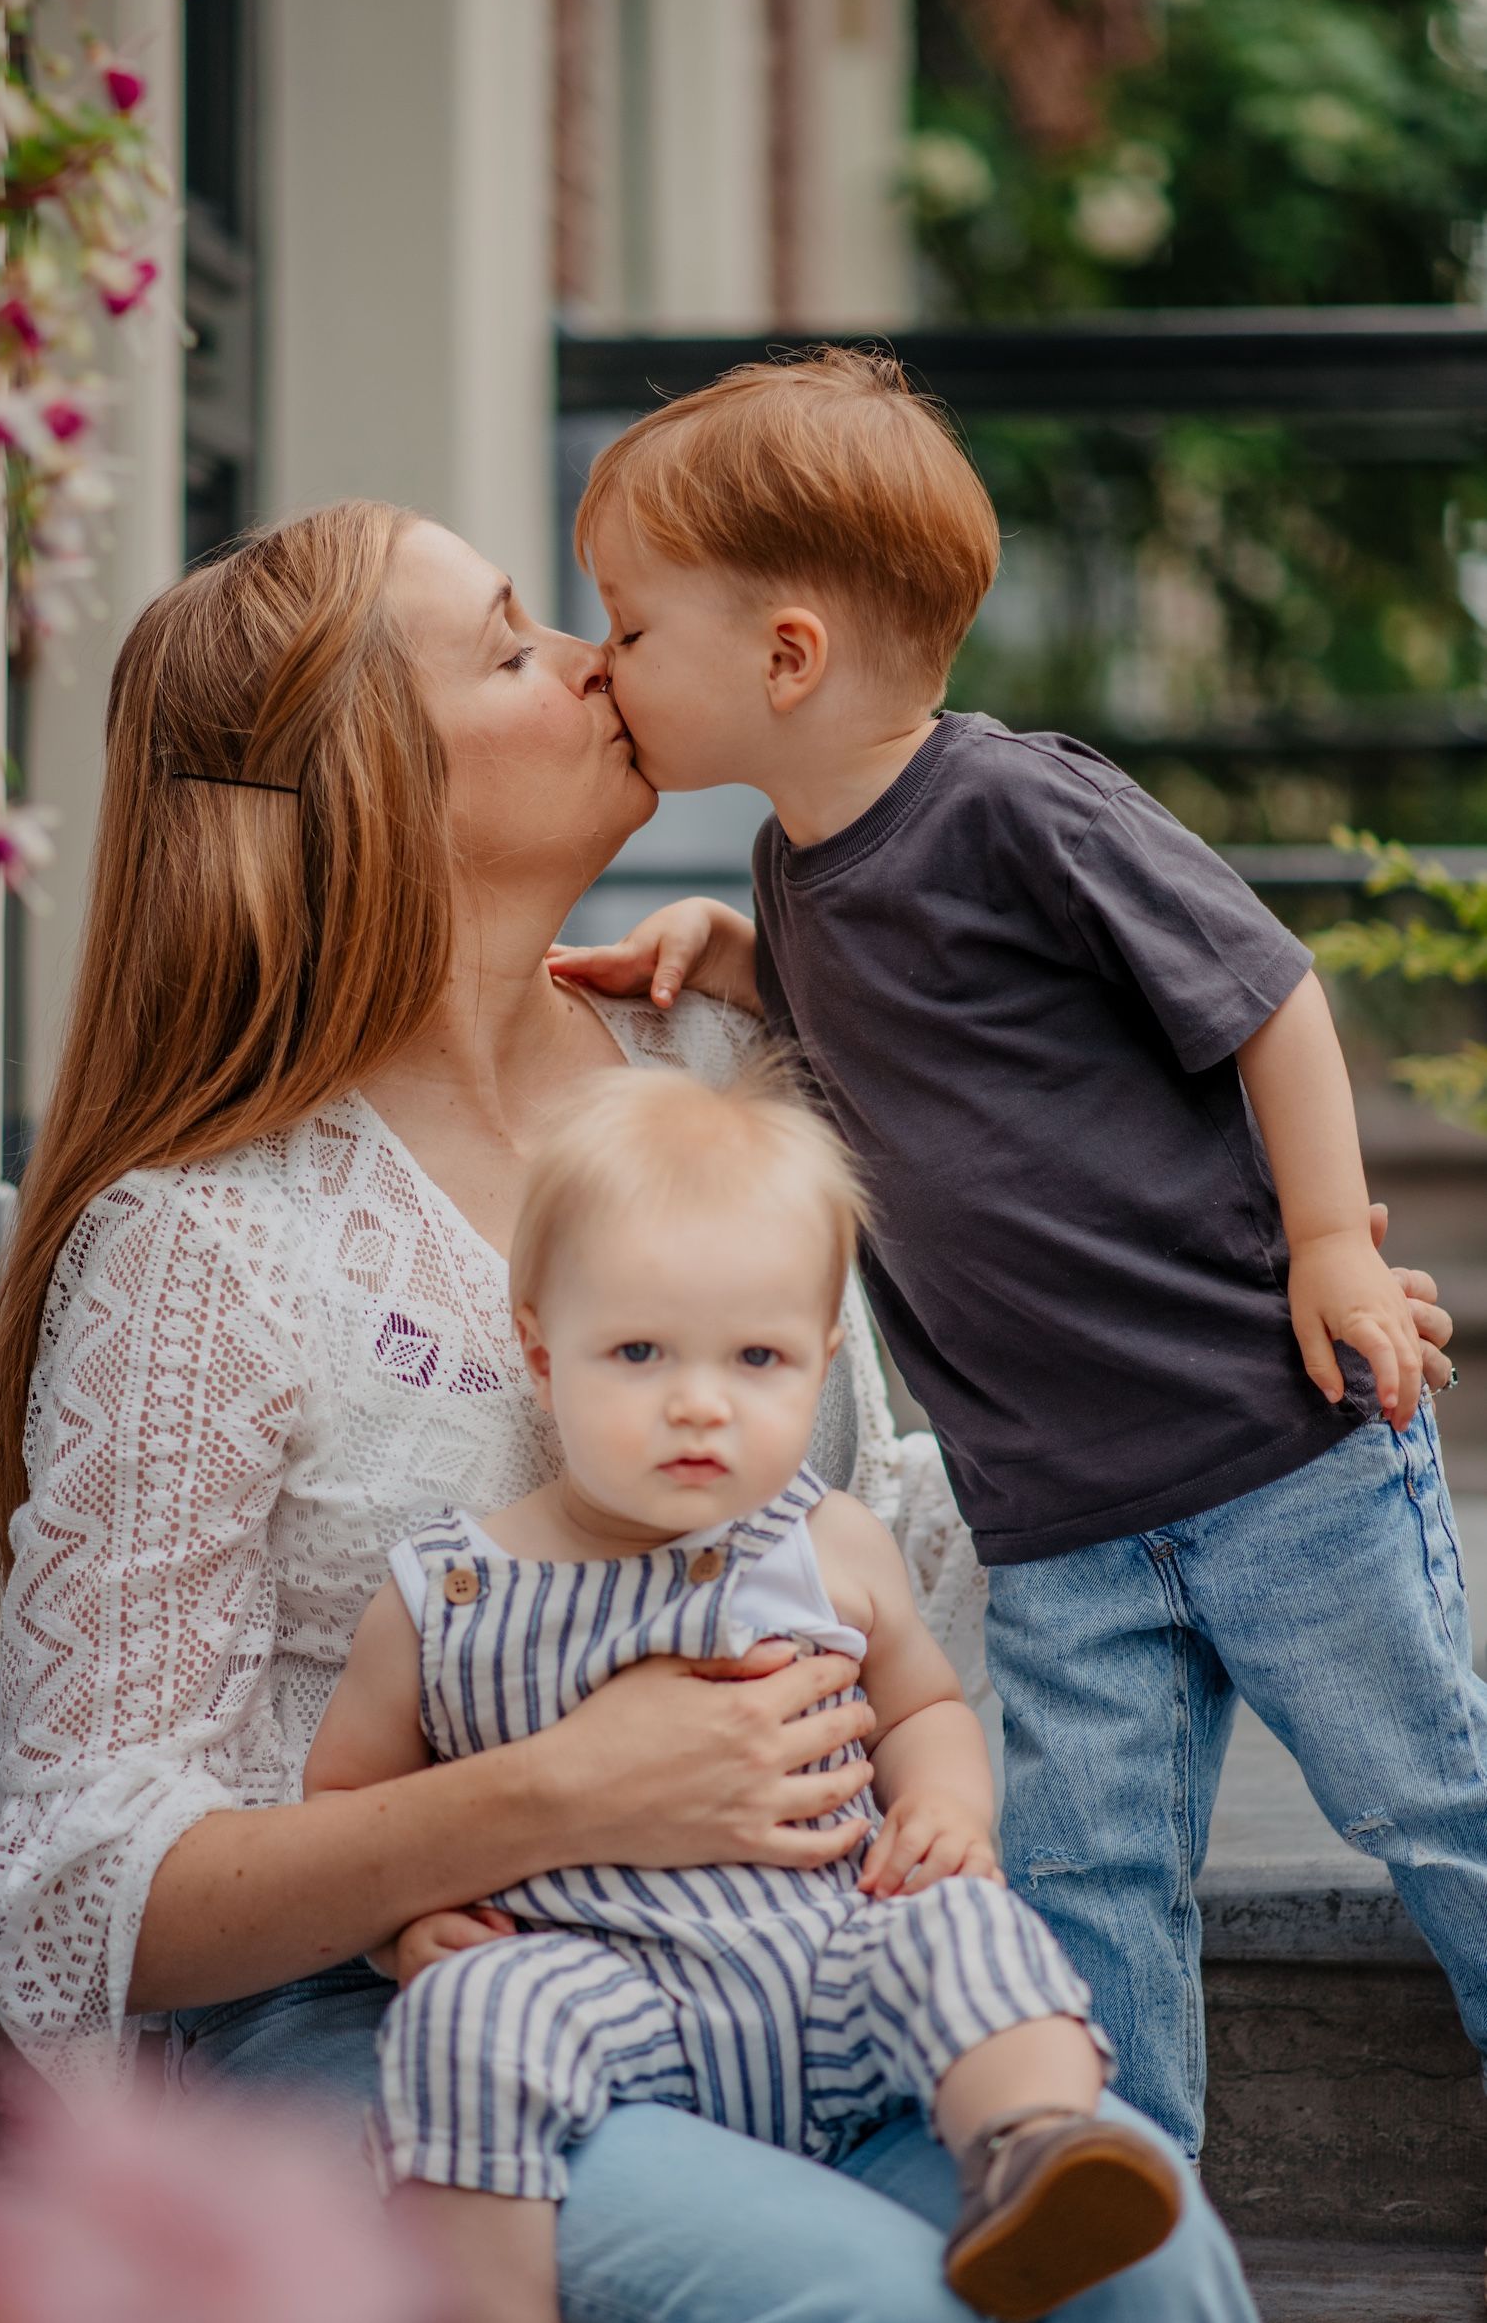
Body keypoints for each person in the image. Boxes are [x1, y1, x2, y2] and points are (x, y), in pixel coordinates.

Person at [0, 500, 1279, 2322]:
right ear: (370, 784)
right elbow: (76, 1882)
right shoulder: (204, 1246)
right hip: (414, 2013)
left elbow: (903, 1488)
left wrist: (1267, 1302)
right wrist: (555, 1792)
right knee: (876, 2305)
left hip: (800, 1960)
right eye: (514, 646)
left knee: (1150, 2268)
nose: (598, 661)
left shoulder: (714, 1072)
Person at [551, 345, 1487, 2160]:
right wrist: (730, 956)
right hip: (1055, 1517)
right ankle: (1123, 2194)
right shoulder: (788, 877)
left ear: (787, 655)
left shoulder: (1018, 805)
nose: (603, 665)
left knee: (1424, 1794)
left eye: (630, 625)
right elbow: (907, 1044)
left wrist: (1326, 1243)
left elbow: (1267, 993)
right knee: (1086, 1879)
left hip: (1268, 1437)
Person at [308, 1064, 1180, 2323]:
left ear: (821, 1361)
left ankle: (1031, 2148)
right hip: (592, 1983)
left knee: (965, 1927)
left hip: (835, 1957)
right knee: (462, 2016)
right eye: (638, 1350)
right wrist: (404, 1932)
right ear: (540, 1347)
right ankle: (490, 2296)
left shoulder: (829, 1543)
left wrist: (946, 1807)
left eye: (758, 1355)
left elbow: (924, 1705)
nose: (698, 1401)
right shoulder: (446, 1589)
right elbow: (348, 1799)